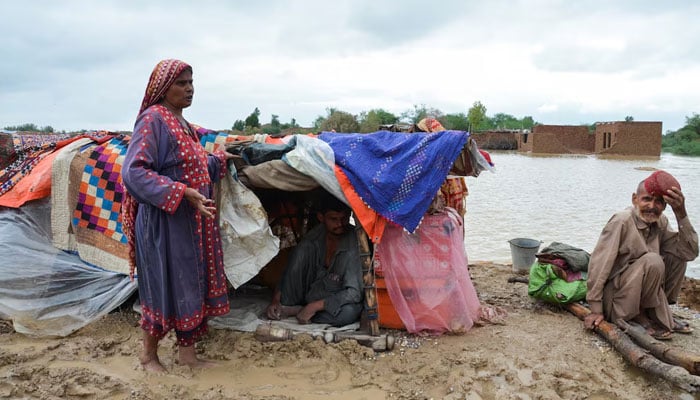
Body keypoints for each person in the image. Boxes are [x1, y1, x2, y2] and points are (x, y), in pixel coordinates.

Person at [121, 59, 234, 372]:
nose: (189, 89)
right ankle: (148, 357)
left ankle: (188, 356)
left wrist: (220, 160)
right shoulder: (152, 120)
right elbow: (134, 172)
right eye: (181, 83)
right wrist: (182, 192)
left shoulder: (182, 123)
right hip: (164, 223)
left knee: (190, 283)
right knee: (162, 283)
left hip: (191, 222)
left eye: (191, 82)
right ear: (162, 88)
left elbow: (193, 166)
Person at [584, 171, 698, 339]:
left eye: (659, 201)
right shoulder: (621, 221)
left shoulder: (660, 222)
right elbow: (599, 265)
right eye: (647, 199)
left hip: (643, 292)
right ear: (634, 199)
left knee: (678, 256)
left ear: (665, 205)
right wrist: (595, 309)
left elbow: (689, 252)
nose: (652, 206)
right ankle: (636, 317)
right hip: (616, 299)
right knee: (653, 260)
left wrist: (681, 214)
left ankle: (658, 311)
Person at [265, 194, 364, 326]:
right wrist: (276, 301)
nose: (340, 224)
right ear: (321, 217)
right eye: (333, 219)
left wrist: (316, 306)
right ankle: (292, 307)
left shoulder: (354, 244)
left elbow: (354, 293)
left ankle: (300, 311)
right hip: (310, 292)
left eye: (344, 218)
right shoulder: (315, 236)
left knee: (348, 313)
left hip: (334, 298)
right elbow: (289, 272)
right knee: (300, 251)